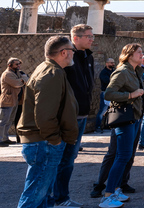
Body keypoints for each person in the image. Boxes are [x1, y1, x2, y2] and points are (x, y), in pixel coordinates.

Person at [17, 35, 79, 208]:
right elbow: (44, 114)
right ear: (64, 52)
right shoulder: (52, 73)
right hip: (44, 142)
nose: (73, 54)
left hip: (43, 141)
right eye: (72, 51)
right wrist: (55, 139)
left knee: (43, 196)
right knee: (35, 195)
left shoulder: (50, 69)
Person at [52, 23, 95, 208]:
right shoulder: (68, 58)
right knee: (64, 160)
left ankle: (61, 197)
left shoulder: (87, 57)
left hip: (82, 115)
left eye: (92, 36)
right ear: (75, 38)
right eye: (88, 36)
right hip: (70, 116)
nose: (92, 39)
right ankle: (59, 199)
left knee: (69, 159)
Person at [99, 43, 144, 208]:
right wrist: (131, 94)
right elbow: (110, 93)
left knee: (125, 156)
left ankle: (116, 189)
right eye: (139, 52)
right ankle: (107, 195)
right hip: (124, 118)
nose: (142, 54)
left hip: (134, 117)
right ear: (129, 54)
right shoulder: (122, 71)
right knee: (122, 156)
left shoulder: (135, 71)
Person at [1, 57, 27, 146]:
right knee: (3, 121)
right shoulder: (7, 74)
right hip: (7, 101)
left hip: (15, 101)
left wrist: (23, 80)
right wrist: (22, 80)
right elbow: (17, 84)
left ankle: (5, 138)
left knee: (9, 120)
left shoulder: (17, 73)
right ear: (10, 65)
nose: (19, 65)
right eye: (16, 64)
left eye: (19, 64)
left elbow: (27, 81)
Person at [97, 58, 116, 132]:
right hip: (105, 93)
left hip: (113, 93)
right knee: (103, 111)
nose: (112, 64)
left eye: (113, 62)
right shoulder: (103, 72)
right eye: (111, 63)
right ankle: (98, 127)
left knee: (111, 110)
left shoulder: (114, 72)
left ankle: (108, 125)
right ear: (106, 63)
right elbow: (108, 82)